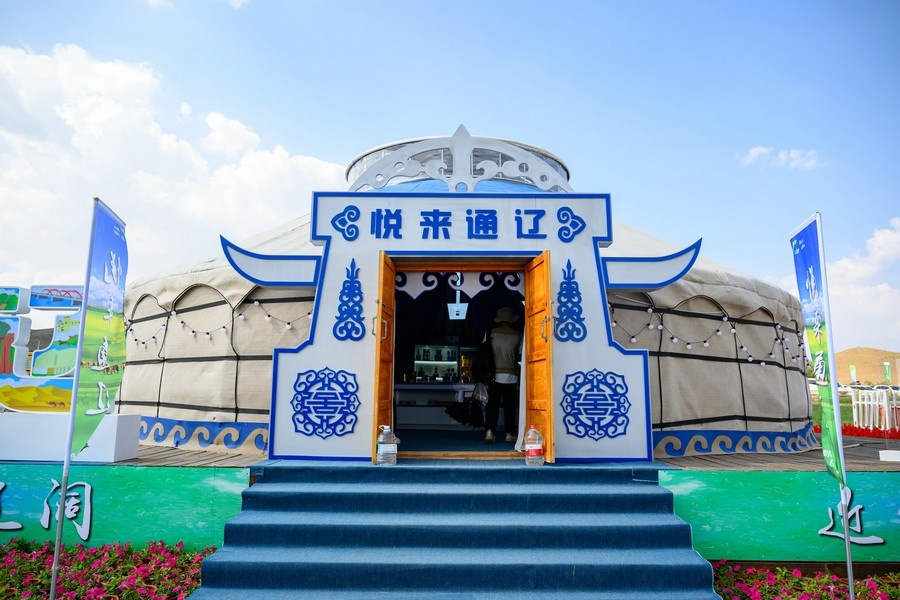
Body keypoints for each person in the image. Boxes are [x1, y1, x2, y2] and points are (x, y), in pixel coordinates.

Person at [484, 307, 523, 444]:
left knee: (492, 405)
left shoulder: (491, 333)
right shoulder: (518, 335)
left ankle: (489, 431)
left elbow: (484, 351)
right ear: (512, 320)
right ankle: (509, 433)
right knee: (510, 407)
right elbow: (520, 355)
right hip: (511, 376)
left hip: (494, 375)